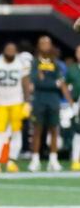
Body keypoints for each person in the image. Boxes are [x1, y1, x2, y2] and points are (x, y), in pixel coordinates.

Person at [28, 36, 75, 172]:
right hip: (39, 99)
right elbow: (36, 82)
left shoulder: (56, 63)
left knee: (54, 130)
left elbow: (61, 83)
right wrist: (52, 83)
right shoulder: (35, 62)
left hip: (53, 100)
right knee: (37, 130)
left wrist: (70, 102)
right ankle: (35, 159)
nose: (45, 45)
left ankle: (53, 160)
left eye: (47, 42)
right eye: (42, 42)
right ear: (38, 45)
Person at [0, 42, 31, 173]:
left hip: (17, 102)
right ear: (3, 50)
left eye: (12, 49)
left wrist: (27, 102)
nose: (10, 51)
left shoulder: (22, 63)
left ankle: (12, 162)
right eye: (8, 49)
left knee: (16, 133)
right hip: (0, 103)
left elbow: (25, 84)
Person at [65, 45, 80, 171]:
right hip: (78, 101)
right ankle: (76, 159)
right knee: (78, 132)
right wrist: (71, 102)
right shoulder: (72, 69)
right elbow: (64, 85)